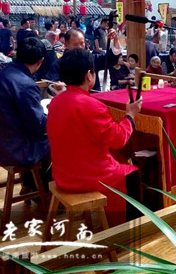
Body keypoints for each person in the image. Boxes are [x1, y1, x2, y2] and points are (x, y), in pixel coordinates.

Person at [47, 48, 143, 226]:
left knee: (117, 160)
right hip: (86, 177)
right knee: (132, 173)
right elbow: (119, 139)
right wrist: (130, 115)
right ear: (89, 76)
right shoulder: (91, 105)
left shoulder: (55, 102)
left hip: (63, 174)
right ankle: (125, 231)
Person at [0, 37, 50, 191]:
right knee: (58, 139)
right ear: (40, 61)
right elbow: (38, 124)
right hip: (16, 150)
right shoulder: (25, 84)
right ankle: (43, 192)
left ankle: (30, 186)